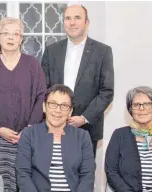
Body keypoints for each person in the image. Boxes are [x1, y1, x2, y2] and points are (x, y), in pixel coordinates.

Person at [0, 17, 47, 192]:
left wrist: (29, 128)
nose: (10, 37)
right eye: (6, 33)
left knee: (28, 184)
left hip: (28, 138)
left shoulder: (33, 64)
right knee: (0, 184)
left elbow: (41, 98)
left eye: (15, 33)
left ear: (21, 38)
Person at [41, 4, 114, 157]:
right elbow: (43, 88)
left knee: (83, 175)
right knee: (52, 174)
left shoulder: (103, 52)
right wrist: (55, 114)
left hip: (86, 127)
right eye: (68, 18)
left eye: (77, 18)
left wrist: (83, 118)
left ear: (87, 23)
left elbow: (106, 91)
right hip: (53, 126)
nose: (72, 23)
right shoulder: (51, 50)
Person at [16, 84, 95, 192]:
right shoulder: (29, 134)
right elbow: (23, 174)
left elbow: (87, 176)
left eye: (64, 106)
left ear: (70, 111)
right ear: (44, 106)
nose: (58, 110)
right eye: (53, 104)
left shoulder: (83, 137)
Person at [105, 86, 152, 192]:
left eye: (147, 104)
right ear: (131, 109)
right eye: (136, 105)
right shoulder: (118, 135)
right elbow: (111, 172)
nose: (141, 108)